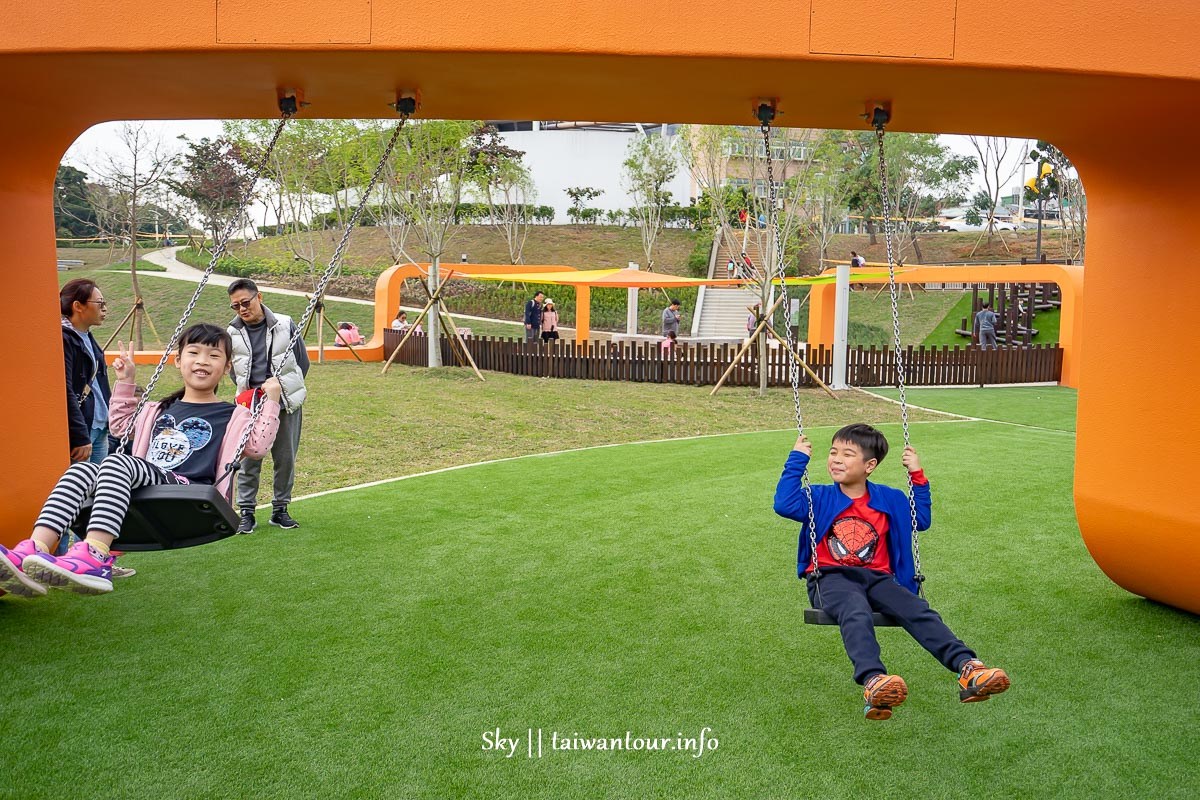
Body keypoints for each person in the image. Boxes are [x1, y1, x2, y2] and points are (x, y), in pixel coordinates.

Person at [0, 324, 282, 598]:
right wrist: (125, 381)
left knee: (117, 462)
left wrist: (271, 401)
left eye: (214, 355)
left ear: (227, 367)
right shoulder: (156, 408)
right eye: (194, 352)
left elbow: (257, 447)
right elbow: (120, 428)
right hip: (145, 482)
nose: (202, 361)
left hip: (187, 489)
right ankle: (34, 548)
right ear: (177, 360)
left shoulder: (232, 414)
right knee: (82, 472)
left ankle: (96, 554)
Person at [774, 424, 1010, 720]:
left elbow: (920, 518)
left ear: (869, 465)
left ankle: (968, 668)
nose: (836, 459)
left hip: (879, 579)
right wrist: (797, 459)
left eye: (848, 454)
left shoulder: (890, 499)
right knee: (854, 609)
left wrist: (917, 475)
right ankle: (874, 681)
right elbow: (784, 504)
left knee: (918, 609)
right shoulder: (818, 497)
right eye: (833, 452)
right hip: (831, 578)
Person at [226, 279, 309, 533]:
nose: (242, 309)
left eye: (245, 302)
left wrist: (283, 388)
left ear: (258, 297)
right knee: (249, 458)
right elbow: (233, 371)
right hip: (251, 405)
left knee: (285, 458)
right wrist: (248, 392)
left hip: (284, 403)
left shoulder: (285, 324)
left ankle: (280, 509)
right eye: (235, 306)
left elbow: (302, 363)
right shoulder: (231, 333)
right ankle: (247, 512)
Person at [60, 279, 112, 466]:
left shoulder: (87, 336)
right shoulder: (64, 339)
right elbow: (65, 389)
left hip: (99, 426)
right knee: (81, 489)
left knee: (100, 487)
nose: (104, 308)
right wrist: (79, 435)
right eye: (99, 303)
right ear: (78, 306)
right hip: (84, 430)